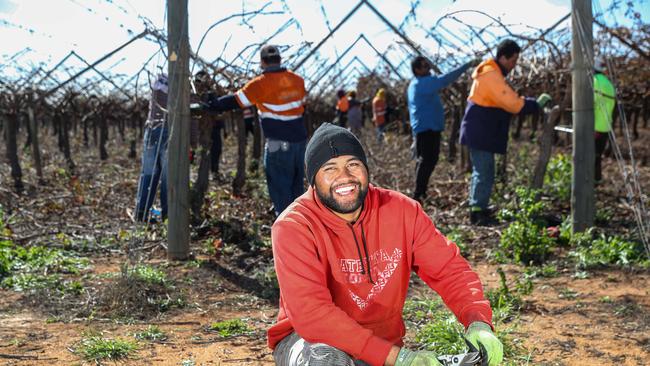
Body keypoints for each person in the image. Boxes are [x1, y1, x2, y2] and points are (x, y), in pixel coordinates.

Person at [269, 122, 503, 366]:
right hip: (307, 340)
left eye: (353, 164)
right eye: (330, 168)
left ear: (366, 169)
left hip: (383, 345)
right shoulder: (293, 226)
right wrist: (398, 358)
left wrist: (478, 321)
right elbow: (312, 316)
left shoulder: (402, 211)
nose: (344, 177)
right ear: (312, 179)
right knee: (325, 359)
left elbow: (449, 270)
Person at [196, 45, 307, 216]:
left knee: (280, 189)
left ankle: (287, 230)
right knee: (296, 187)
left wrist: (213, 103)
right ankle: (303, 230)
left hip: (279, 143)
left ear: (262, 62)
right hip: (300, 143)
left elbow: (236, 100)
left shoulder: (260, 84)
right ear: (280, 59)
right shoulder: (298, 80)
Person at [459, 39, 551, 225]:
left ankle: (479, 207)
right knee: (483, 172)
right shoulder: (491, 74)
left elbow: (506, 99)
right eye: (513, 60)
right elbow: (511, 102)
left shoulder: (491, 72)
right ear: (502, 57)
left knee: (485, 171)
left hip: (480, 129)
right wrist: (534, 104)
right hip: (480, 130)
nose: (514, 65)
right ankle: (477, 214)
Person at [407, 57, 480, 203]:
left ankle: (420, 192)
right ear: (417, 70)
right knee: (428, 160)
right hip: (427, 129)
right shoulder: (423, 83)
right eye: (425, 66)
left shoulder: (415, 84)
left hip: (424, 128)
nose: (429, 69)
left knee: (424, 161)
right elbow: (446, 79)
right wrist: (467, 65)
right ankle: (418, 194)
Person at [135, 73, 169, 222]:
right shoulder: (184, 84)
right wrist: (192, 142)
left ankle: (141, 212)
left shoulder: (158, 82)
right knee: (168, 177)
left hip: (152, 129)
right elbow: (191, 116)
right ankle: (168, 215)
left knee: (148, 173)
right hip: (170, 130)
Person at [593, 57, 616, 183]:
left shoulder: (595, 81)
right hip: (605, 125)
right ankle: (597, 179)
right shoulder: (608, 83)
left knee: (591, 155)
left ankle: (591, 181)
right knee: (597, 155)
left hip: (595, 126)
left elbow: (589, 103)